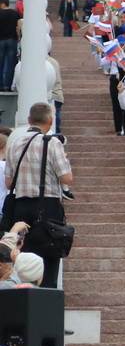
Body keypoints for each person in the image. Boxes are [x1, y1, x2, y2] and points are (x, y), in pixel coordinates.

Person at [2, 103, 72, 287]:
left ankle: (23, 294)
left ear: (28, 120)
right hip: (48, 206)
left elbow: (9, 182)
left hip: (20, 207)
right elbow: (67, 177)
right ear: (50, 121)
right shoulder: (52, 143)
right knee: (49, 255)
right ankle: (47, 297)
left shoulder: (15, 143)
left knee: (22, 255)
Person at [0, 0, 19, 92]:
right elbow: (18, 26)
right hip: (12, 40)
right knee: (11, 64)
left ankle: (1, 85)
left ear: (2, 4)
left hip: (1, 40)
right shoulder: (15, 13)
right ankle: (8, 85)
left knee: (1, 63)